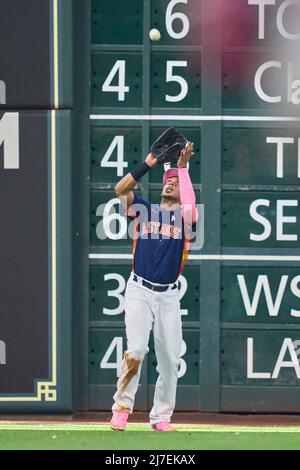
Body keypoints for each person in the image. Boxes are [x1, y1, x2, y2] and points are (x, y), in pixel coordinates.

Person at [110, 140, 198, 432]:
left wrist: (182, 170)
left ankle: (161, 417)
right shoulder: (144, 210)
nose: (171, 183)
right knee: (135, 350)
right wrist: (148, 164)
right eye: (169, 180)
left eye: (176, 182)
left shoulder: (184, 219)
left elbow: (190, 209)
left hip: (168, 297)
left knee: (171, 359)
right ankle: (122, 408)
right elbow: (120, 190)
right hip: (139, 289)